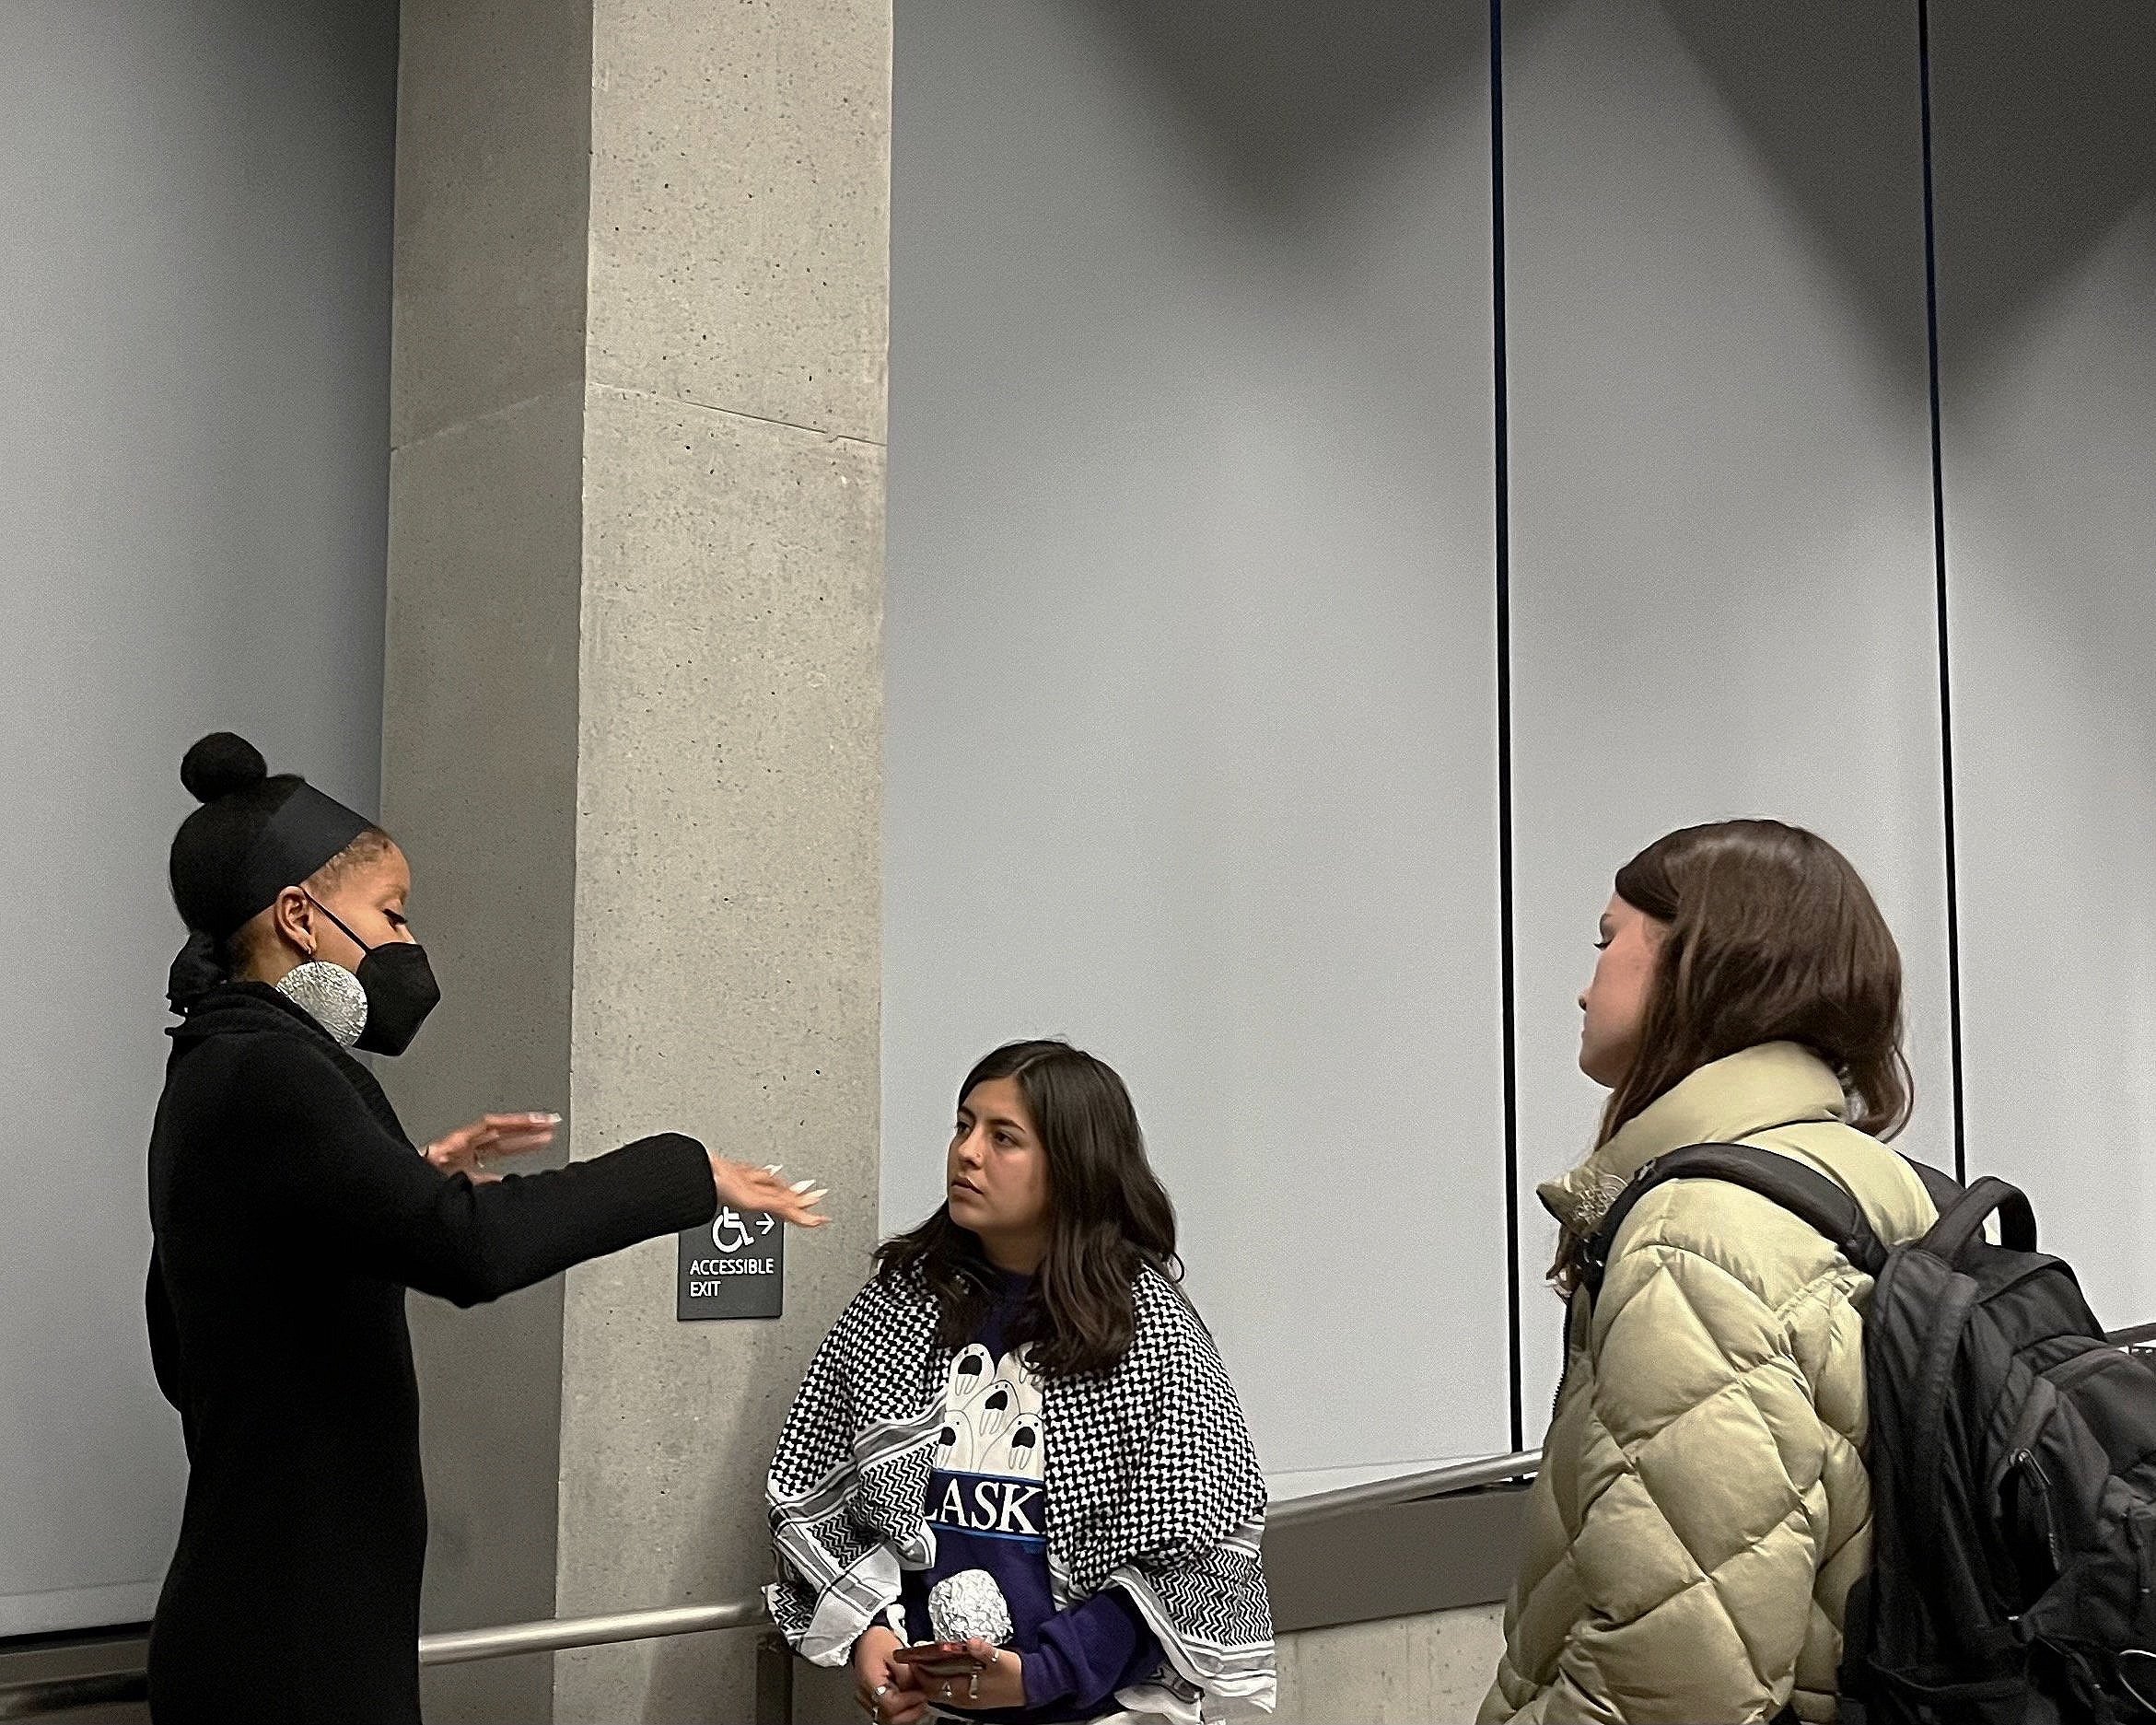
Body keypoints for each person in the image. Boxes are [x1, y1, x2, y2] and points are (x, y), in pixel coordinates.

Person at [145, 732, 830, 1725]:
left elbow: (200, 1319)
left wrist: (396, 1181)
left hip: (266, 1616)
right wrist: (686, 1171)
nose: (407, 942)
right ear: (299, 915)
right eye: (390, 912)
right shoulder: (274, 1070)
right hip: (290, 1643)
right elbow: (469, 1247)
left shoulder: (217, 1067)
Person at [1481, 820, 1943, 1724]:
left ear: (1701, 962)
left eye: (1607, 941)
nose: (1582, 987)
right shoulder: (1880, 1186)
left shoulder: (1693, 1238)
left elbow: (1674, 1684)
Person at [766, 1040, 1275, 1725]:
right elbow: (815, 1491)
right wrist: (871, 1633)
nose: (967, 1152)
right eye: (963, 1125)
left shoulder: (1147, 1327)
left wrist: (1045, 1674)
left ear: (1072, 1166)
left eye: (1003, 1137)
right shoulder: (897, 1304)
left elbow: (1196, 1549)